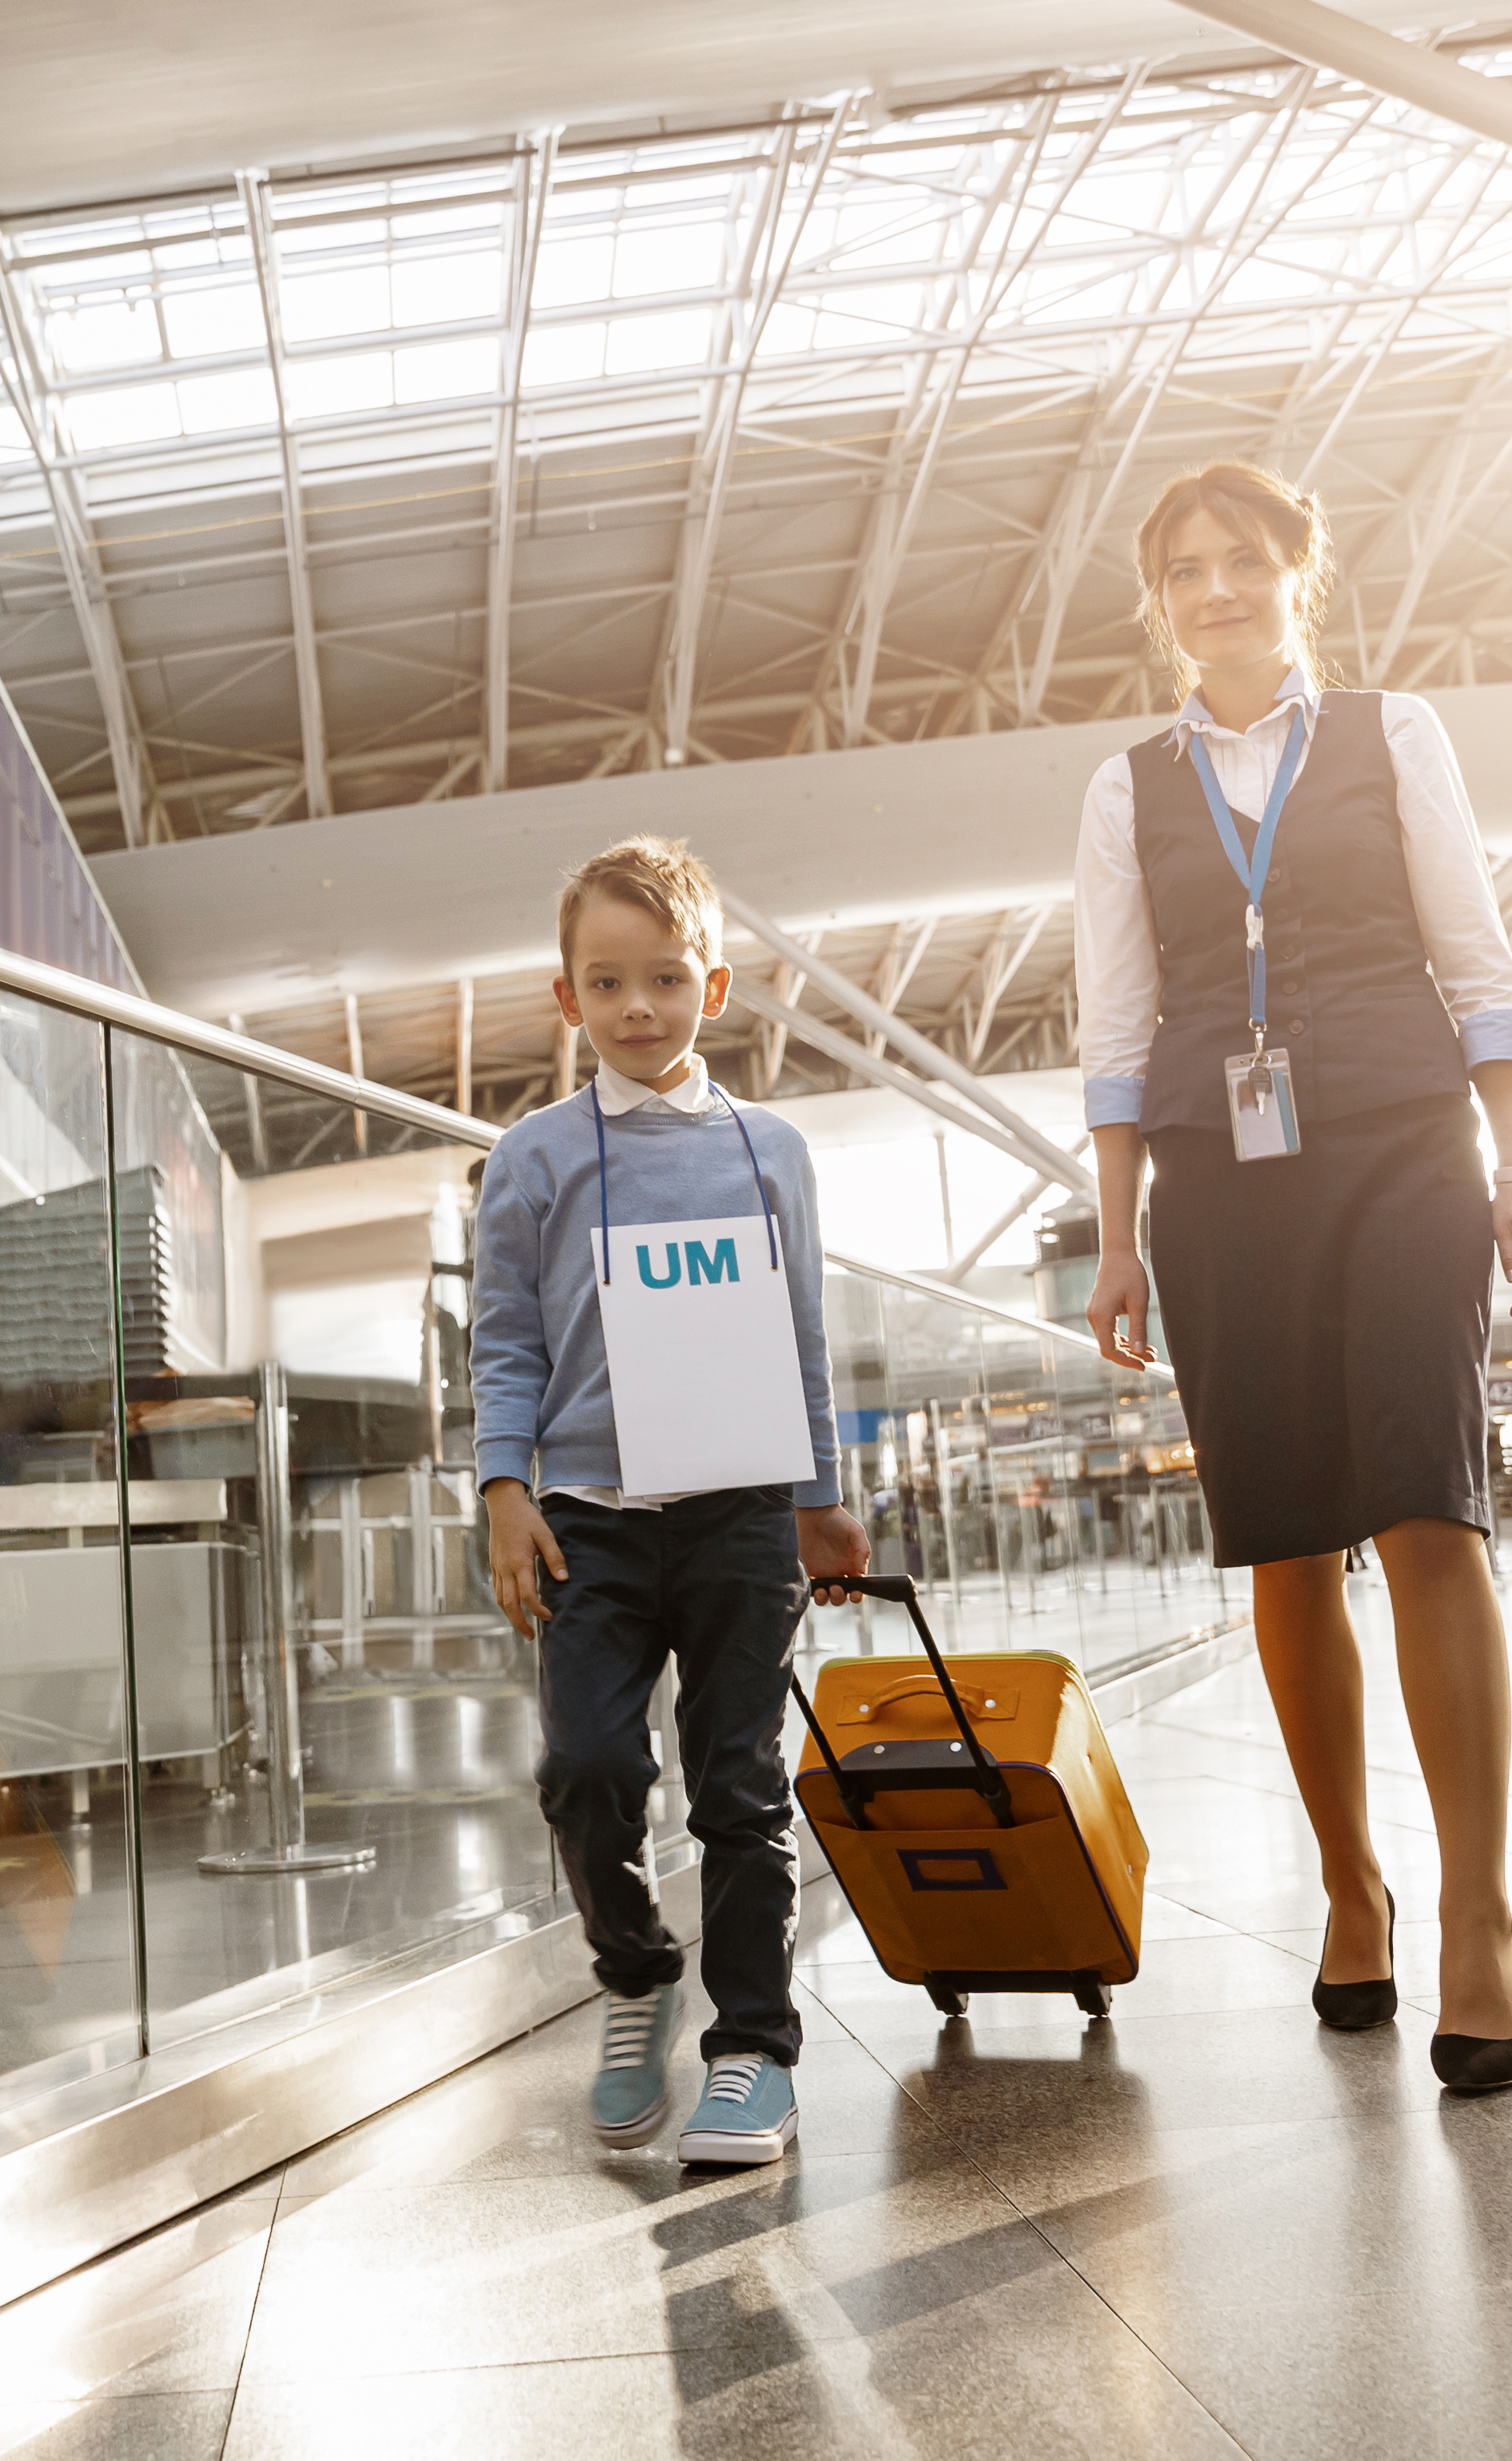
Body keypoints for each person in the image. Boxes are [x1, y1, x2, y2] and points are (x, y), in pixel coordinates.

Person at [1071, 459, 1512, 2091]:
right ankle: (1350, 1886)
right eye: (1186, 570)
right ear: (1163, 602)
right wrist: (1121, 1229)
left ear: (1300, 574)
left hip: (1407, 1141)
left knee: (1432, 1503)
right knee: (1287, 1542)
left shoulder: (1392, 735)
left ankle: (1476, 1919)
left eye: (1244, 561)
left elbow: (1475, 956)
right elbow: (1119, 1027)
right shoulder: (1125, 787)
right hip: (1224, 1179)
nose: (1217, 589)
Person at [474, 835, 872, 2166]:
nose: (634, 1007)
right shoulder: (531, 1159)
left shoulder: (772, 1152)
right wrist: (503, 1487)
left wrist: (820, 1496)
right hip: (588, 1518)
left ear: (716, 985)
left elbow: (802, 1332)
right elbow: (508, 1340)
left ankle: (754, 2049)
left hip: (742, 1513)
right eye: (605, 983)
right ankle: (637, 1971)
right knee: (586, 1767)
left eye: (661, 979)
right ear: (566, 997)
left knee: (739, 1787)